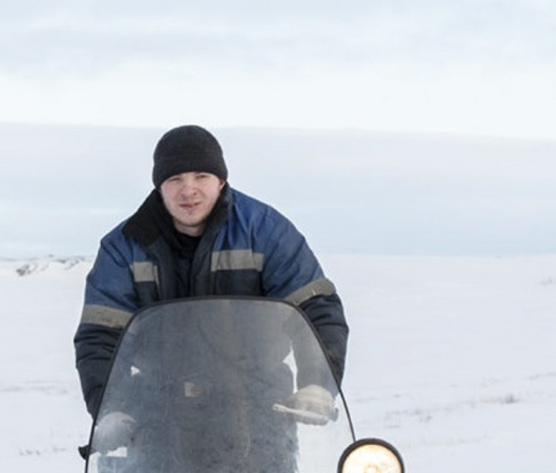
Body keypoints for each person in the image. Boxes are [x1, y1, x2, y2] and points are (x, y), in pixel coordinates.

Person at [72, 123, 349, 427]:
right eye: (175, 178)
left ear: (220, 181)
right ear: (159, 186)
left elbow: (315, 308)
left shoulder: (266, 231)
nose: (188, 189)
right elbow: (102, 335)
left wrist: (317, 384)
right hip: (155, 414)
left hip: (259, 407)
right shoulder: (124, 246)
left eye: (201, 176)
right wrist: (111, 408)